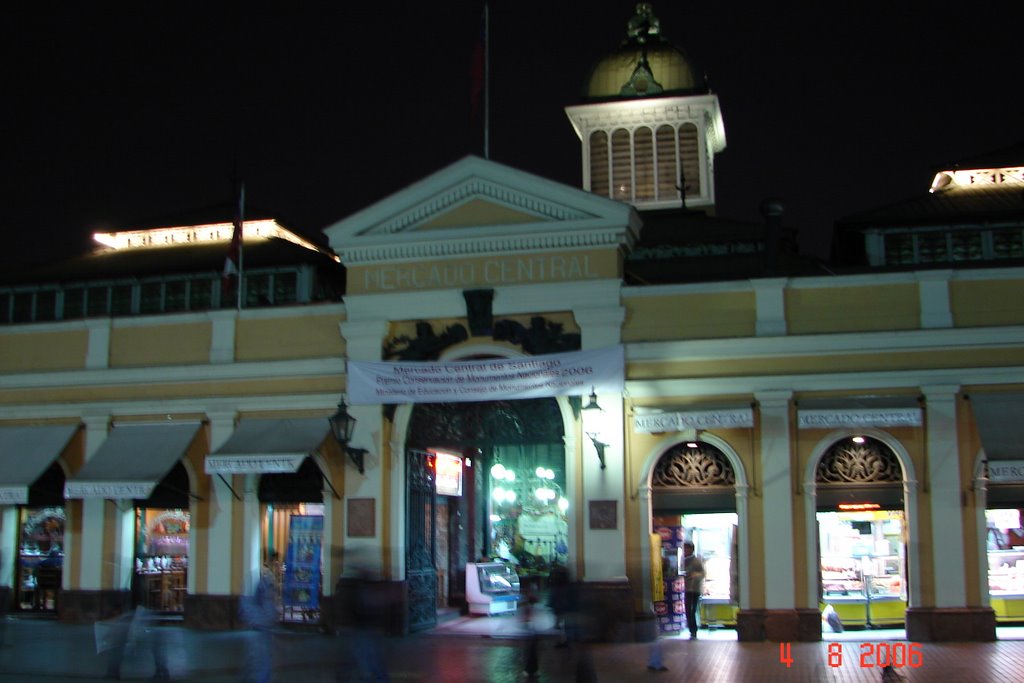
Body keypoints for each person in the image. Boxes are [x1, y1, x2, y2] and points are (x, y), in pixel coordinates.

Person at [681, 541, 705, 640]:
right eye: (684, 549)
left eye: (687, 549)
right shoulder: (684, 560)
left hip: (694, 590)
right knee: (688, 610)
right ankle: (692, 630)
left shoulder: (696, 561)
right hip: (688, 589)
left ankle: (693, 630)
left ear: (691, 550)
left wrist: (694, 575)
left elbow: (702, 573)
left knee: (691, 610)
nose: (685, 551)